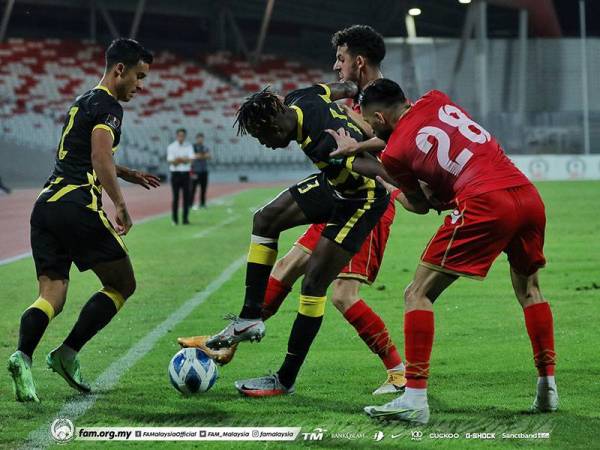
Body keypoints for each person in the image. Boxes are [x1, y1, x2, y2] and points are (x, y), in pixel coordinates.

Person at [179, 25, 407, 396]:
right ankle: (238, 330)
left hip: (367, 199)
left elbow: (380, 156)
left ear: (359, 61)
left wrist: (402, 180)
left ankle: (398, 371)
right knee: (281, 256)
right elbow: (336, 95)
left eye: (341, 58)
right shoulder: (325, 97)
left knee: (337, 294)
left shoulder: (387, 102)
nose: (336, 65)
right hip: (336, 186)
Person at [328, 79, 557, 424]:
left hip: (484, 201)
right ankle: (547, 387)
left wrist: (380, 173)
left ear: (377, 116)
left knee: (417, 293)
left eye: (371, 121)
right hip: (526, 194)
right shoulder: (435, 98)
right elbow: (414, 133)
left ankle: (415, 398)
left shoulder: (393, 154)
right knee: (530, 290)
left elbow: (419, 204)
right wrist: (361, 145)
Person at [7, 38, 157, 402]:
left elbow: (85, 156)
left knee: (51, 295)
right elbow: (98, 155)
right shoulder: (109, 107)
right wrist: (119, 204)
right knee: (123, 283)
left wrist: (126, 172)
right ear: (118, 69)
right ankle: (67, 352)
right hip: (77, 205)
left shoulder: (83, 101)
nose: (141, 86)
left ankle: (21, 356)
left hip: (46, 206)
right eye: (138, 76)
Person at [167, 128, 194, 225]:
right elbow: (171, 161)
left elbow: (191, 160)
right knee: (176, 197)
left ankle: (185, 219)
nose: (181, 137)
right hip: (176, 174)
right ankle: (175, 219)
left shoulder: (189, 146)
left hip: (186, 174)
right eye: (179, 135)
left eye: (183, 135)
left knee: (186, 197)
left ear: (185, 136)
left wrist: (178, 160)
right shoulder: (171, 147)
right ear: (177, 136)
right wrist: (184, 159)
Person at [189, 132, 211, 210]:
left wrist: (199, 156)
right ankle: (190, 204)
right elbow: (193, 156)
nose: (200, 140)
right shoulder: (192, 147)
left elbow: (209, 156)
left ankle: (202, 203)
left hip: (204, 171)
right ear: (196, 139)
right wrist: (202, 156)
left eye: (202, 138)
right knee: (193, 188)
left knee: (203, 188)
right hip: (195, 171)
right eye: (199, 138)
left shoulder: (205, 147)